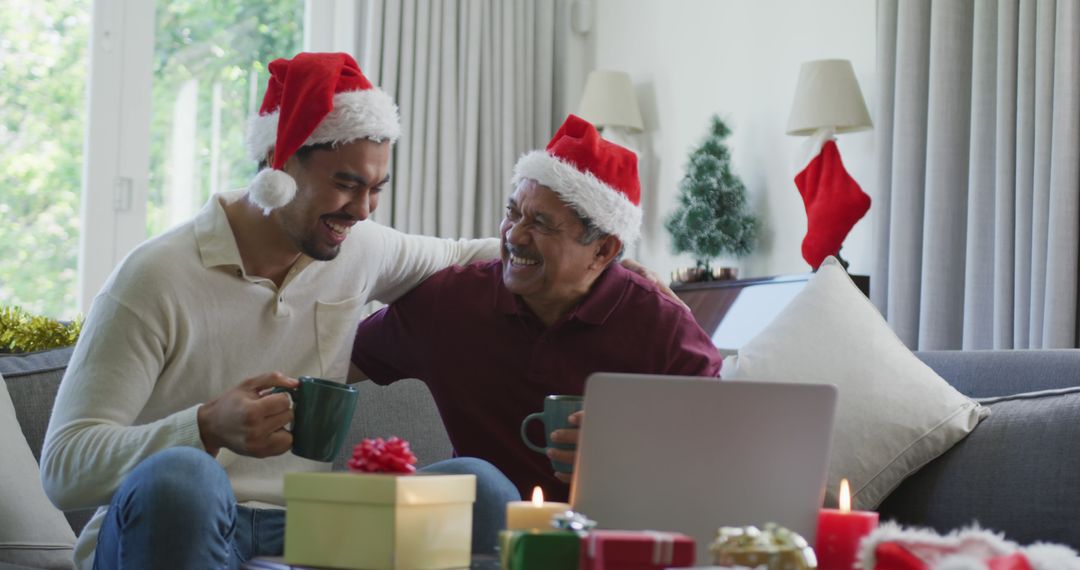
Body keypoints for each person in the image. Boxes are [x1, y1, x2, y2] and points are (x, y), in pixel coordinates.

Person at [40, 52, 518, 570]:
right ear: (280, 163)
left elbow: (467, 255)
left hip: (303, 527)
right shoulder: (155, 276)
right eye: (346, 183)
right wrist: (202, 427)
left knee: (480, 487)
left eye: (375, 189)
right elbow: (64, 467)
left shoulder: (358, 248)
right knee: (185, 476)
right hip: (178, 517)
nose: (361, 210)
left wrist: (612, 265)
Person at [351, 114, 722, 502]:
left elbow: (723, 442)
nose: (514, 235)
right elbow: (335, 363)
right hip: (479, 537)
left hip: (611, 536)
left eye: (541, 224)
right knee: (476, 478)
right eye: (513, 213)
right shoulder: (449, 301)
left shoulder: (660, 324)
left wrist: (632, 448)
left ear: (602, 250)